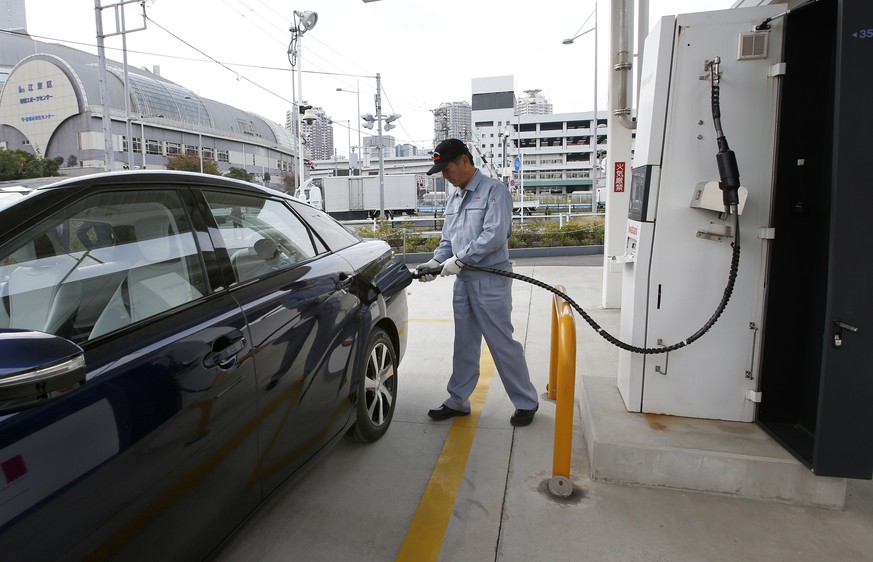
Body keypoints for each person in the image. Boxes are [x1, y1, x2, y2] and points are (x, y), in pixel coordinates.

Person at [416, 138, 539, 427]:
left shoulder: (494, 191)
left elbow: (494, 236)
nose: (446, 177)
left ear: (465, 161)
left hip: (490, 280)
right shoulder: (455, 197)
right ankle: (458, 400)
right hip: (464, 282)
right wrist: (436, 261)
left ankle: (526, 401)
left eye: (447, 170)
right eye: (441, 172)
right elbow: (449, 240)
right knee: (464, 343)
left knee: (501, 344)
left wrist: (460, 260)